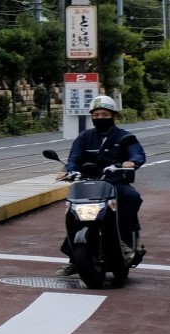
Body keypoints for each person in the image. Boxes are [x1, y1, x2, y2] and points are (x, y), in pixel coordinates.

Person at [55, 95, 145, 275]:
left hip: (115, 183)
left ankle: (124, 241)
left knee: (132, 197)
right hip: (89, 184)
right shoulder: (85, 137)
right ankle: (74, 258)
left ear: (113, 115)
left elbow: (138, 154)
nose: (100, 118)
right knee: (73, 209)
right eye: (96, 115)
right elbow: (74, 158)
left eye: (104, 114)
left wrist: (131, 162)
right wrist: (69, 170)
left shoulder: (125, 137)